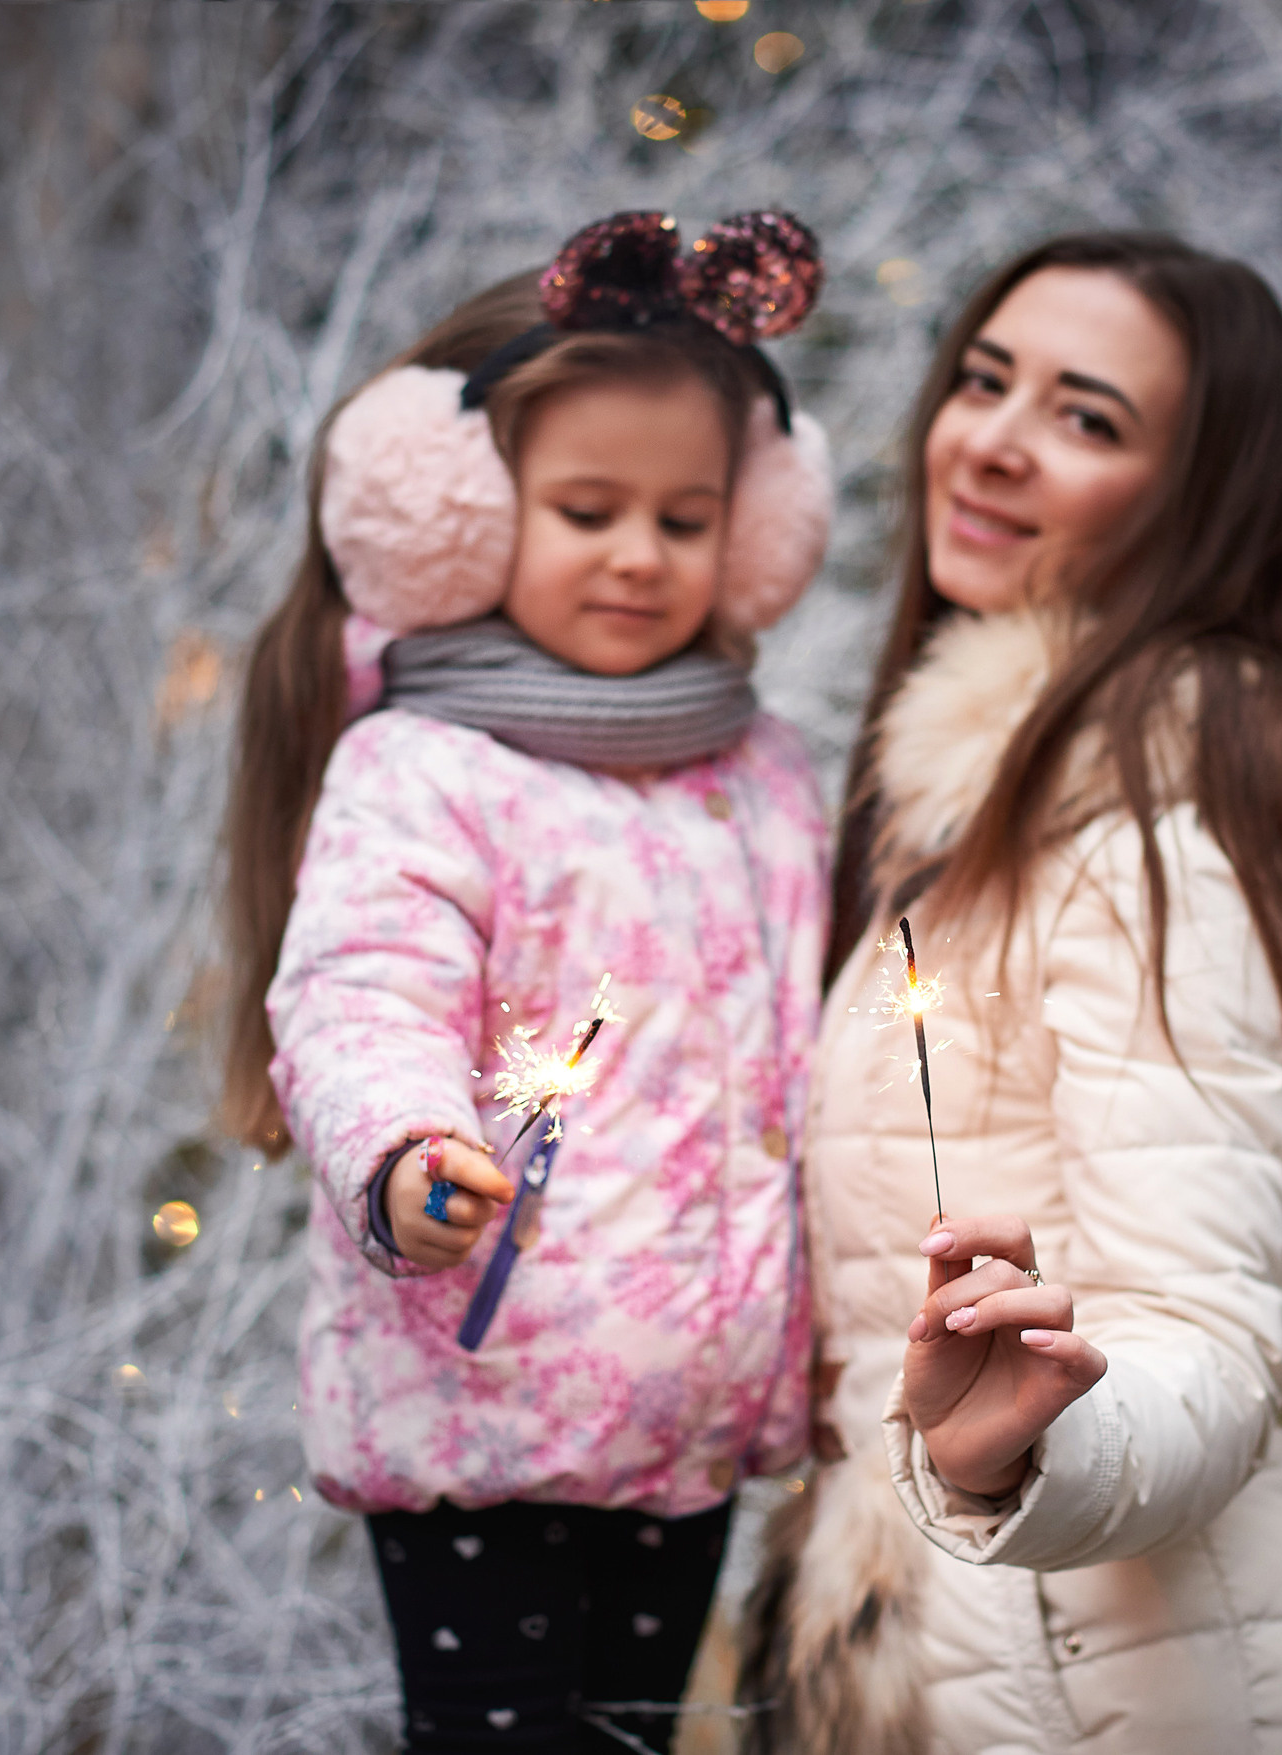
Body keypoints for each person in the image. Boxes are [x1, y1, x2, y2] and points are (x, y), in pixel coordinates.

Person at [743, 233, 1282, 1754]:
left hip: (1106, 1676)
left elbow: (1203, 1335)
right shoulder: (967, 814)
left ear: (1197, 502)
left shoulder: (1155, 827)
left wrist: (1019, 1452)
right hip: (961, 1656)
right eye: (984, 381)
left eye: (1087, 419)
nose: (995, 441)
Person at [219, 210, 837, 1755]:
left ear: (750, 537)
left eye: (687, 521)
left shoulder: (764, 774)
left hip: (691, 1419)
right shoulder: (426, 769)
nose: (640, 554)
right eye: (587, 509)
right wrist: (405, 1153)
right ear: (468, 521)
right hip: (478, 1405)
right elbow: (362, 987)